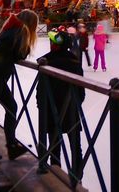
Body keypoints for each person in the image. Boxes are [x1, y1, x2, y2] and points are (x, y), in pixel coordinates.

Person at [0, 9, 39, 165]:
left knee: (10, 107)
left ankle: (11, 146)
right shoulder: (20, 32)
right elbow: (20, 54)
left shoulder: (11, 29)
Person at [36, 26, 85, 184]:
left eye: (52, 42)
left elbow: (41, 89)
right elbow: (81, 90)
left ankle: (55, 176)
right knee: (75, 146)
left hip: (52, 110)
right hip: (71, 110)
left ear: (57, 45)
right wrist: (76, 104)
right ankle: (76, 179)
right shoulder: (75, 62)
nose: (50, 44)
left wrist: (41, 105)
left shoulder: (46, 61)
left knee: (54, 145)